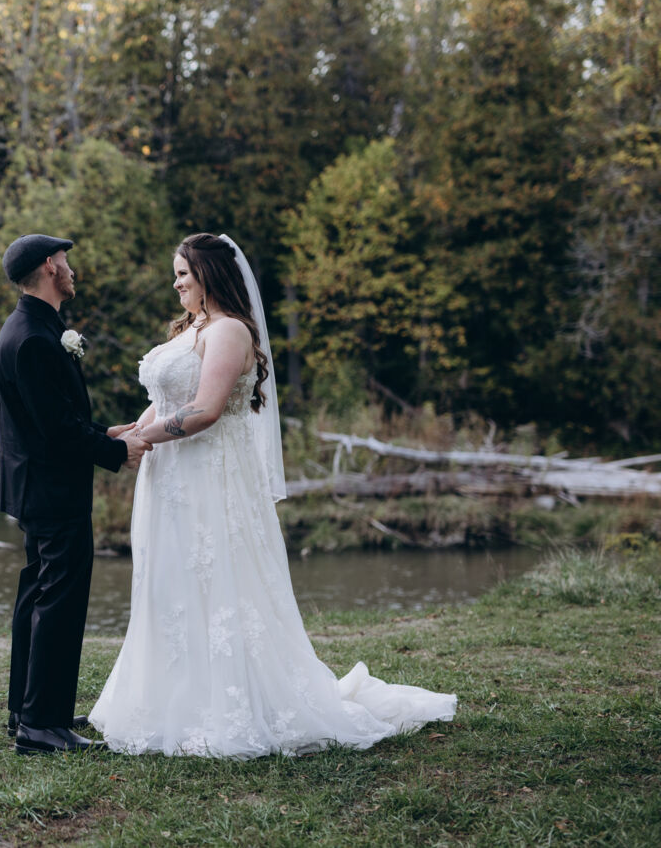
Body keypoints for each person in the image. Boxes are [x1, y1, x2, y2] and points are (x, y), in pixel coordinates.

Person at [88, 233, 456, 757]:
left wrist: (142, 440)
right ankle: (171, 701)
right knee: (170, 583)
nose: (176, 284)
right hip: (169, 478)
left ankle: (235, 705)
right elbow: (168, 399)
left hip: (208, 479)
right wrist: (124, 432)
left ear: (208, 276)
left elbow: (206, 409)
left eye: (183, 275)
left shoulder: (230, 331)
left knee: (217, 583)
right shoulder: (191, 329)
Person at [0, 233, 152, 755]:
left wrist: (103, 432)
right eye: (66, 261)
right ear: (49, 267)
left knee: (38, 594)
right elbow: (56, 430)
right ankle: (41, 725)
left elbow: (52, 417)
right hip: (52, 489)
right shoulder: (35, 339)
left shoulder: (30, 327)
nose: (72, 269)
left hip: (38, 485)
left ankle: (29, 710)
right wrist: (115, 451)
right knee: (58, 602)